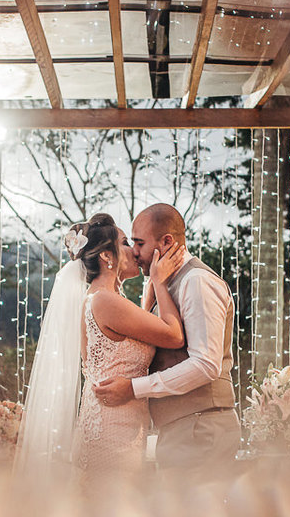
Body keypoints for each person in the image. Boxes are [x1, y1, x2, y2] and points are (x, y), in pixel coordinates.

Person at [15, 213, 184, 487]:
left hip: (112, 427)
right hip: (114, 435)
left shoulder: (99, 299)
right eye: (125, 242)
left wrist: (147, 299)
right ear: (107, 256)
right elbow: (174, 336)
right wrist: (160, 281)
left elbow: (123, 348)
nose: (133, 250)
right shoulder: (105, 301)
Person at [93, 203, 242, 481]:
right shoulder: (166, 284)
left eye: (139, 243)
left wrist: (134, 389)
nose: (134, 252)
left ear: (167, 242)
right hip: (183, 430)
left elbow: (206, 364)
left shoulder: (196, 281)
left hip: (201, 427)